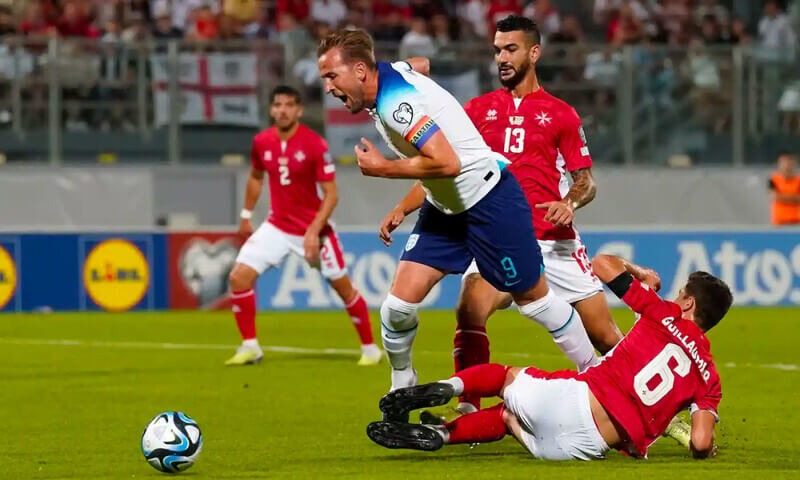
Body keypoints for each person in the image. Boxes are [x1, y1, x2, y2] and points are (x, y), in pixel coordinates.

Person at [317, 30, 598, 396]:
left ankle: (594, 372)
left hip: (489, 201)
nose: (327, 87)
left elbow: (447, 163)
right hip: (444, 207)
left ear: (359, 71)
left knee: (535, 302)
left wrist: (384, 168)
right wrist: (403, 206)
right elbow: (419, 64)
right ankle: (401, 388)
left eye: (331, 76)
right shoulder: (390, 73)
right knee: (397, 307)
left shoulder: (396, 106)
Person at [384, 15, 622, 416]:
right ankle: (469, 409)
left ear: (534, 52)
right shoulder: (476, 111)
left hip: (554, 241)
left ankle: (649, 404)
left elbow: (586, 181)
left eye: (511, 49)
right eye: (497, 50)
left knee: (604, 337)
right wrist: (402, 208)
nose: (502, 58)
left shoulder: (561, 114)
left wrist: (569, 203)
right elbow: (445, 169)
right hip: (497, 232)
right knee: (470, 308)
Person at [367, 254, 733, 461]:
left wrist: (639, 273)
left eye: (680, 293)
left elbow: (602, 263)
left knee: (504, 378)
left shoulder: (663, 312)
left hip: (576, 400)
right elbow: (701, 442)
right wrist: (705, 450)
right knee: (508, 418)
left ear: (688, 303)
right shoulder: (710, 379)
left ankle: (446, 388)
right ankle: (439, 434)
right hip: (581, 448)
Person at [225, 85, 382, 367]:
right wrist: (246, 214)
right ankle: (250, 347)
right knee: (239, 277)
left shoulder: (314, 144)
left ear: (298, 110)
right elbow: (256, 177)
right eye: (277, 105)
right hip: (277, 226)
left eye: (289, 105)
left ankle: (371, 350)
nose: (282, 110)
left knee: (343, 288)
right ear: (271, 110)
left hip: (315, 230)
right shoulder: (262, 141)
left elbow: (331, 195)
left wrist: (312, 232)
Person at [768, 152, 800, 225]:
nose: (787, 166)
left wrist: (782, 197)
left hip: (796, 221)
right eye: (784, 163)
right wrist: (794, 198)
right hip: (779, 222)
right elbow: (774, 197)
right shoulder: (773, 180)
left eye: (789, 163)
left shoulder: (798, 181)